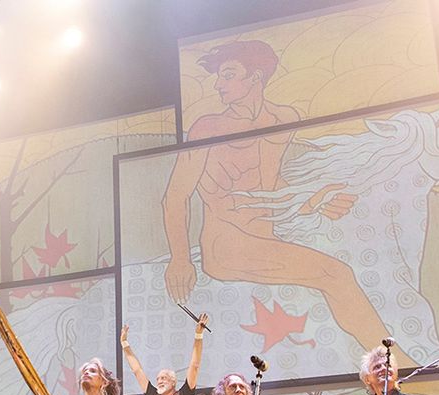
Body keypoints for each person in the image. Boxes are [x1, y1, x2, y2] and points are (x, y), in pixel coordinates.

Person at [161, 40, 411, 364]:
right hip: (226, 244)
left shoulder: (282, 120)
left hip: (266, 237)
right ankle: (395, 364)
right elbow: (176, 195)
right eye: (219, 77)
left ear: (256, 77)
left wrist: (316, 199)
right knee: (336, 273)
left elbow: (270, 189)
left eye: (228, 75)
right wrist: (180, 258)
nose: (218, 85)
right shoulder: (209, 128)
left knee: (336, 268)